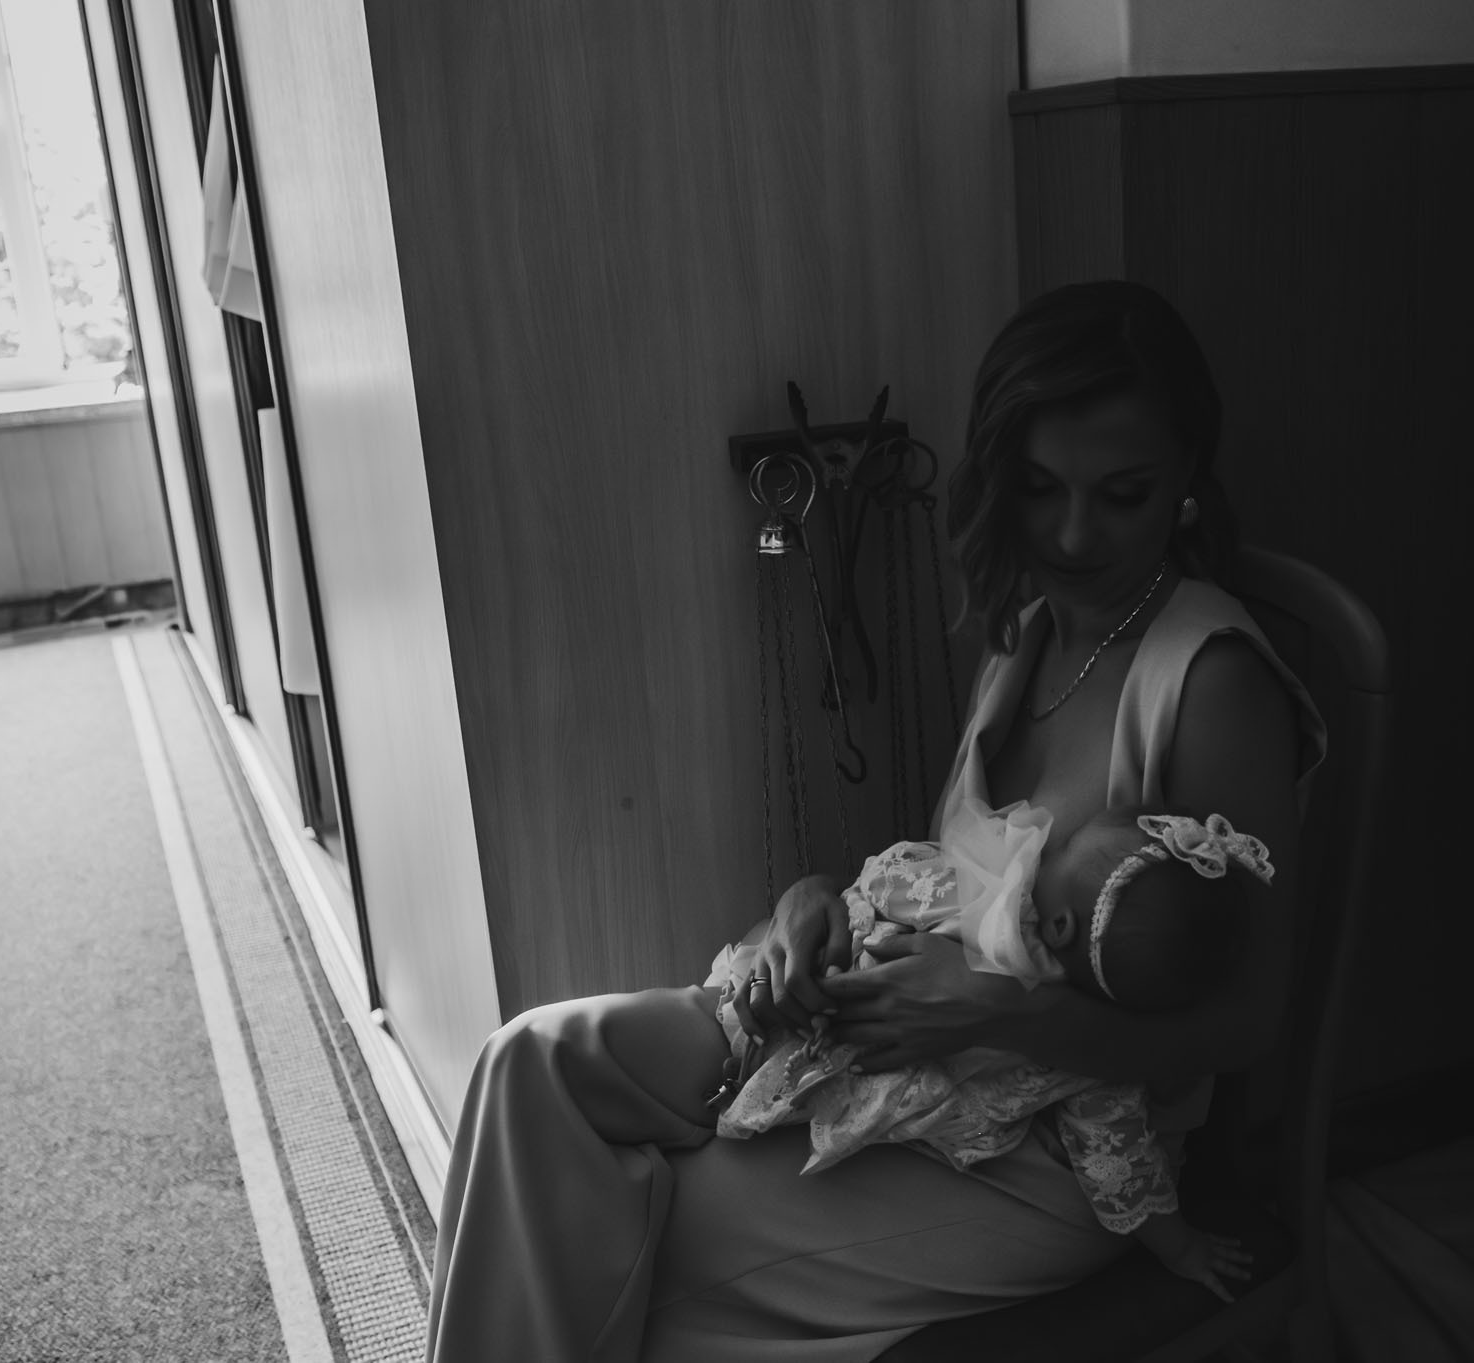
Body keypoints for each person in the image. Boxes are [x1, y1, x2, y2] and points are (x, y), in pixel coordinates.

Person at [425, 280, 1328, 1362]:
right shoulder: (1024, 633)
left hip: (1045, 1153)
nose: (1073, 533)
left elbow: (1246, 1023)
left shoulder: (1214, 684)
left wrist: (999, 1015)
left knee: (622, 1236)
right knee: (532, 1063)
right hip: (873, 1055)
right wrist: (806, 912)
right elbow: (946, 876)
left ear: (1185, 479)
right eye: (1039, 488)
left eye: (1122, 495)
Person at [711, 805, 1276, 1303]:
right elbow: (1120, 1170)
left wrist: (842, 890)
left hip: (793, 1004)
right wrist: (1183, 1249)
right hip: (837, 1102)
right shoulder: (1096, 1064)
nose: (1042, 850)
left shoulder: (986, 898)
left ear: (1062, 923)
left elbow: (885, 880)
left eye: (1059, 849)